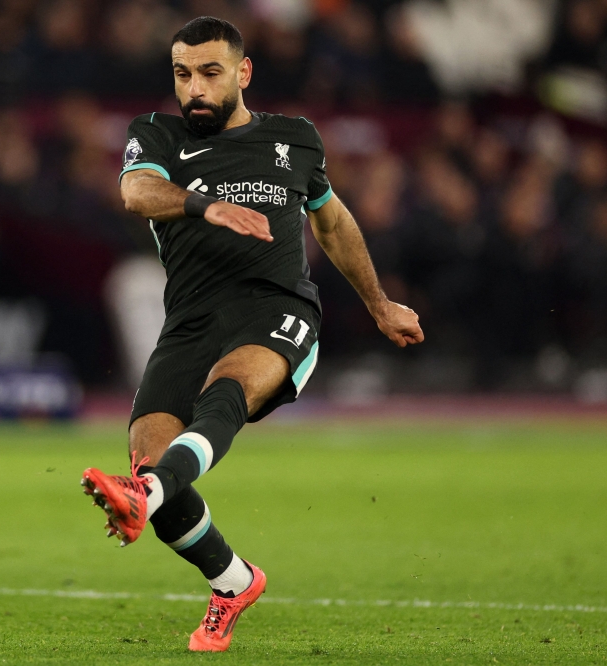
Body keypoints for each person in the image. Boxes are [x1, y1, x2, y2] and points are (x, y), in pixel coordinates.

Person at [80, 16, 424, 652]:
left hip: (278, 308)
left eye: (210, 73)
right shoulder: (156, 134)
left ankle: (144, 494)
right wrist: (202, 203)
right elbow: (134, 191)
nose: (196, 90)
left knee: (228, 390)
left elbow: (333, 221)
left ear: (243, 73)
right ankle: (233, 581)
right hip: (188, 321)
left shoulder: (296, 139)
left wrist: (378, 303)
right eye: (183, 75)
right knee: (154, 458)